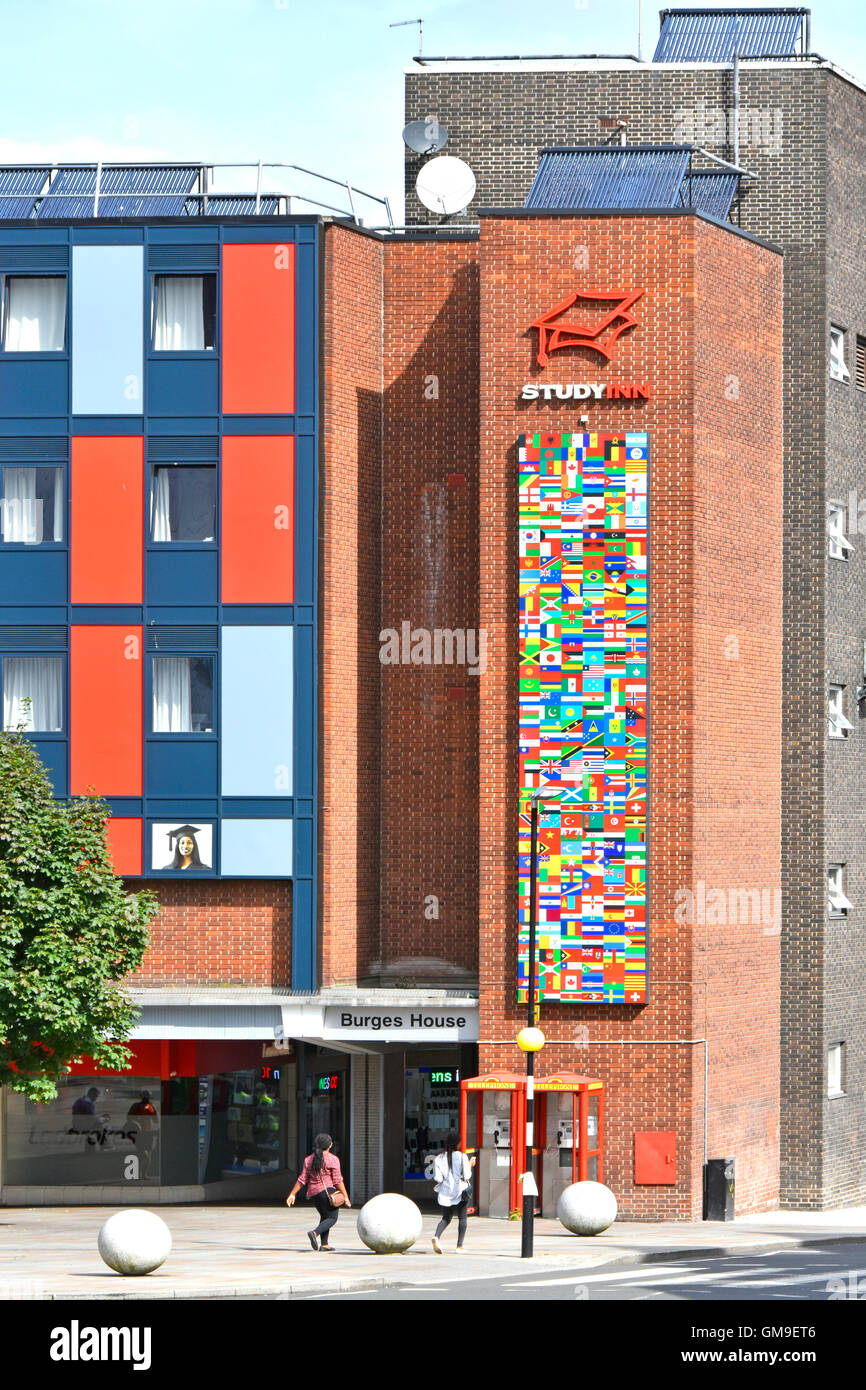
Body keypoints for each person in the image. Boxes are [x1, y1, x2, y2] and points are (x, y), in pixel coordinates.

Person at [286, 1134, 351, 1251]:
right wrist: (345, 1196)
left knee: (325, 1216)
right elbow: (337, 1180)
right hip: (327, 1192)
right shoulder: (333, 1159)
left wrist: (292, 1194)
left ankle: (324, 1244)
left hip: (314, 1194)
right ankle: (314, 1233)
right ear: (330, 1145)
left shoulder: (308, 1159)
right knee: (332, 1219)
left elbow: (302, 1179)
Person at [432, 1129, 475, 1253]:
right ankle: (459, 1246)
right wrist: (470, 1164)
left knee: (446, 1217)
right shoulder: (462, 1157)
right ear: (458, 1144)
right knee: (462, 1218)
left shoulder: (439, 1158)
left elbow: (438, 1178)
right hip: (460, 1191)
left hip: (445, 1192)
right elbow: (467, 1176)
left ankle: (436, 1236)